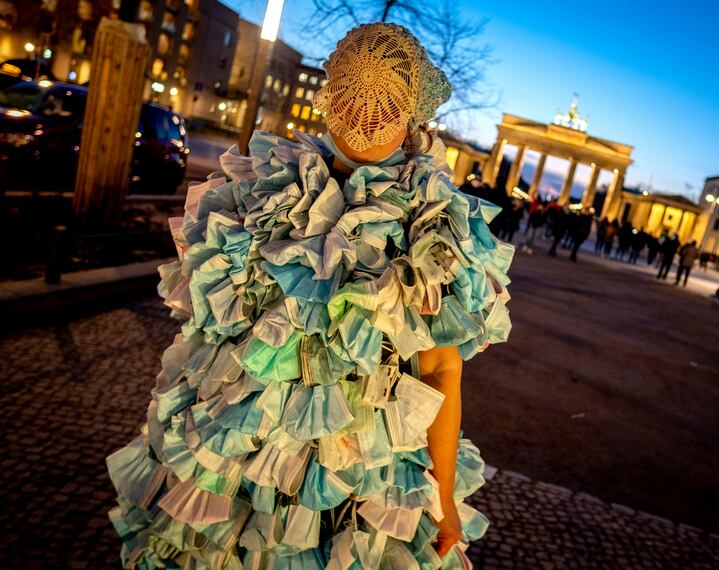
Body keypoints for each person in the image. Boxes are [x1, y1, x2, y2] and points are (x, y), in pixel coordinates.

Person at [105, 23, 513, 568]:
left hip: (232, 457)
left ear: (331, 99)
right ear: (414, 115)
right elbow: (442, 371)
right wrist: (441, 499)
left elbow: (202, 343)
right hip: (360, 474)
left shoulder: (256, 191)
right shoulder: (433, 227)